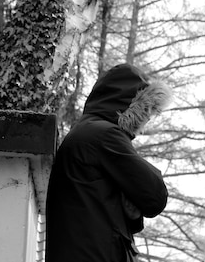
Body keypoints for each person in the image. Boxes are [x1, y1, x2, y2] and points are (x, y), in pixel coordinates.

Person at [45, 63, 172, 262]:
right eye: (146, 110)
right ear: (131, 106)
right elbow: (155, 196)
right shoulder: (105, 135)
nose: (147, 118)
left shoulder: (87, 132)